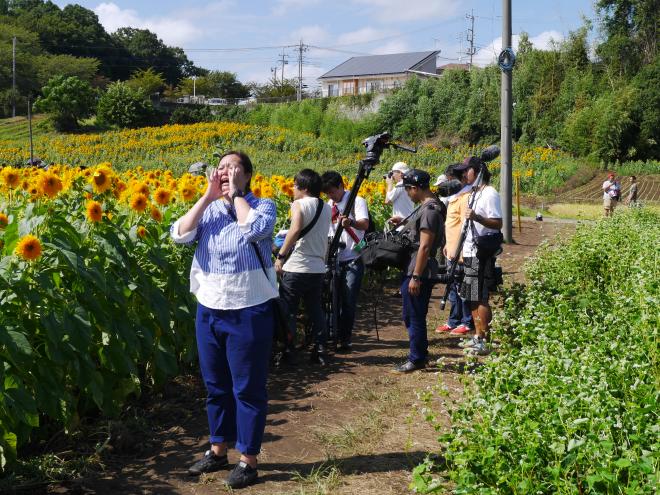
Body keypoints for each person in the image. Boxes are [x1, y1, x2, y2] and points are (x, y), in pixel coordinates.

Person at [170, 151, 277, 489]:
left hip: (249, 309)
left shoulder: (263, 205)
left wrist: (237, 197)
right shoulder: (209, 210)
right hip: (210, 308)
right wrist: (207, 197)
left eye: (235, 168)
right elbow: (179, 234)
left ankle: (248, 460)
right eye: (223, 168)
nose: (227, 172)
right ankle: (217, 449)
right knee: (215, 385)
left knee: (247, 387)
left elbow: (257, 230)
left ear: (247, 176)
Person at [274, 169, 332, 365]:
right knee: (315, 309)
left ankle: (288, 351)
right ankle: (320, 350)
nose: (292, 188)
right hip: (317, 268)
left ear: (304, 188)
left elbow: (296, 229)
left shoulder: (298, 204)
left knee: (288, 310)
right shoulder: (326, 207)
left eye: (295, 185)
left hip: (297, 266)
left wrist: (281, 256)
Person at [391, 169, 445, 373]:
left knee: (414, 314)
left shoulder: (430, 210)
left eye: (407, 190)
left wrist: (416, 276)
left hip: (419, 268)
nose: (407, 194)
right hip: (417, 266)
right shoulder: (429, 206)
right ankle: (419, 353)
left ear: (415, 188)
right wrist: (404, 223)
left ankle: (416, 358)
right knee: (412, 313)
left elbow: (424, 246)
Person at [453, 157, 502, 356]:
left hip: (482, 252)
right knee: (472, 296)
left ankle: (485, 339)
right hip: (471, 251)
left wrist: (477, 217)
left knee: (481, 297)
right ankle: (477, 335)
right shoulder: (474, 192)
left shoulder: (489, 193)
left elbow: (497, 223)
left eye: (467, 170)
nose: (464, 174)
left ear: (478, 171)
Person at [322, 171, 369, 352]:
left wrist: (351, 223)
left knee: (348, 300)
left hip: (353, 257)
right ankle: (331, 335)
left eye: (333, 192)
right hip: (333, 258)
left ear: (341, 186)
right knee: (332, 300)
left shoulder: (357, 200)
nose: (331, 196)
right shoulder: (329, 204)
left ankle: (345, 338)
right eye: (327, 194)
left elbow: (364, 224)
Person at [435, 164, 474, 336]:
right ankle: (454, 320)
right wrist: (447, 245)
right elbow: (453, 224)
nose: (448, 184)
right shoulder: (454, 197)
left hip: (463, 251)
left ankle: (467, 321)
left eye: (451, 181)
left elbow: (467, 227)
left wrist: (459, 248)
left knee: (464, 288)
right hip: (451, 249)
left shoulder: (466, 197)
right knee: (453, 287)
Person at [384, 161, 414, 227]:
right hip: (408, 222)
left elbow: (387, 201)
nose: (392, 176)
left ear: (400, 173)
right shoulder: (408, 183)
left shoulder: (400, 184)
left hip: (402, 225)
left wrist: (389, 184)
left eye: (393, 172)